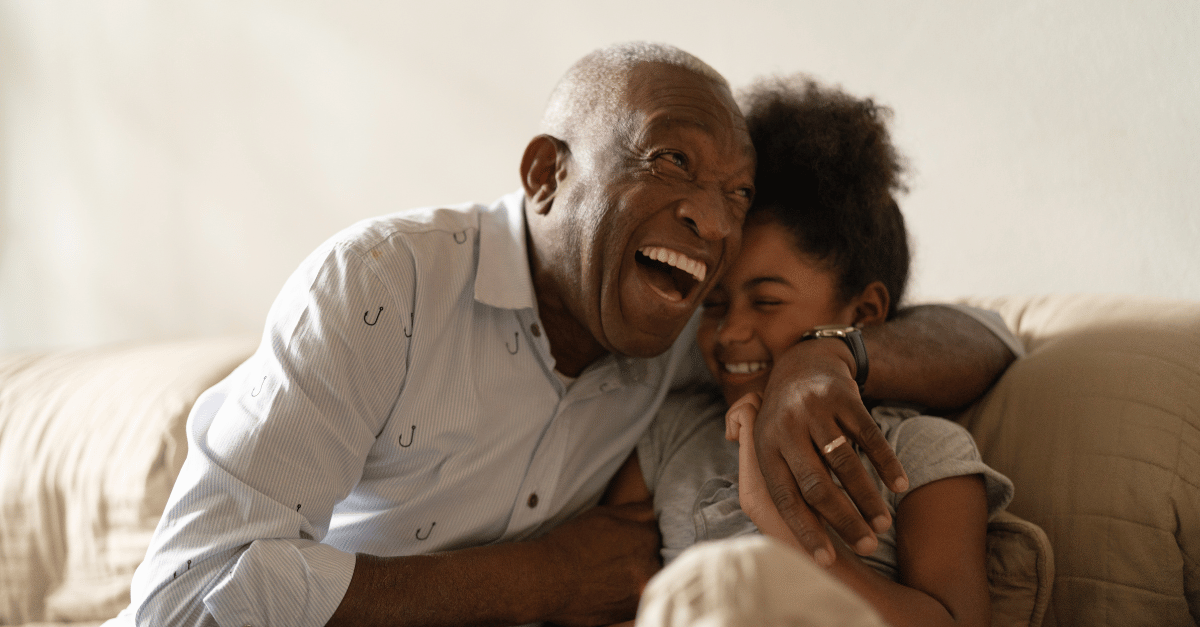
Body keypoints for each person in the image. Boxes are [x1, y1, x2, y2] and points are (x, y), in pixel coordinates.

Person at [104, 44, 1016, 627]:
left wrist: (827, 354)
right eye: (670, 160)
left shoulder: (686, 355)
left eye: (735, 196)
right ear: (546, 172)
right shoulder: (384, 287)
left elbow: (993, 334)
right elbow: (186, 601)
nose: (711, 221)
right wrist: (535, 580)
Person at [607, 76, 1020, 627]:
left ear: (864, 313)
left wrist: (791, 528)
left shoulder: (918, 452)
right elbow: (604, 592)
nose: (730, 332)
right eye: (715, 303)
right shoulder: (673, 435)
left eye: (768, 301)